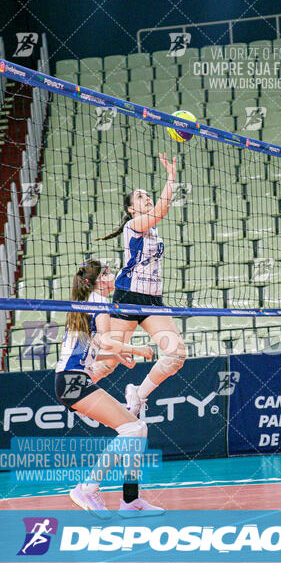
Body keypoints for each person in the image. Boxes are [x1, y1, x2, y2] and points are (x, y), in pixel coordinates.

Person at [55, 258, 163, 516]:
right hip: (73, 382)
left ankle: (131, 499)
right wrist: (135, 348)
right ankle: (87, 487)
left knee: (139, 429)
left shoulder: (86, 303)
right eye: (108, 272)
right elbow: (105, 340)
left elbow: (90, 351)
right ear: (99, 280)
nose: (113, 276)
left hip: (73, 379)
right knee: (132, 428)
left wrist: (115, 356)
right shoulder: (99, 301)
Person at [95, 152, 186, 416]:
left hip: (153, 301)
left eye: (147, 194)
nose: (145, 197)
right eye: (140, 196)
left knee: (176, 356)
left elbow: (159, 213)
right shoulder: (134, 226)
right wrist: (171, 178)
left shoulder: (153, 229)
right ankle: (76, 381)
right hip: (128, 297)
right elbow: (161, 211)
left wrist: (170, 179)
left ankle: (138, 394)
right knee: (109, 362)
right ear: (131, 210)